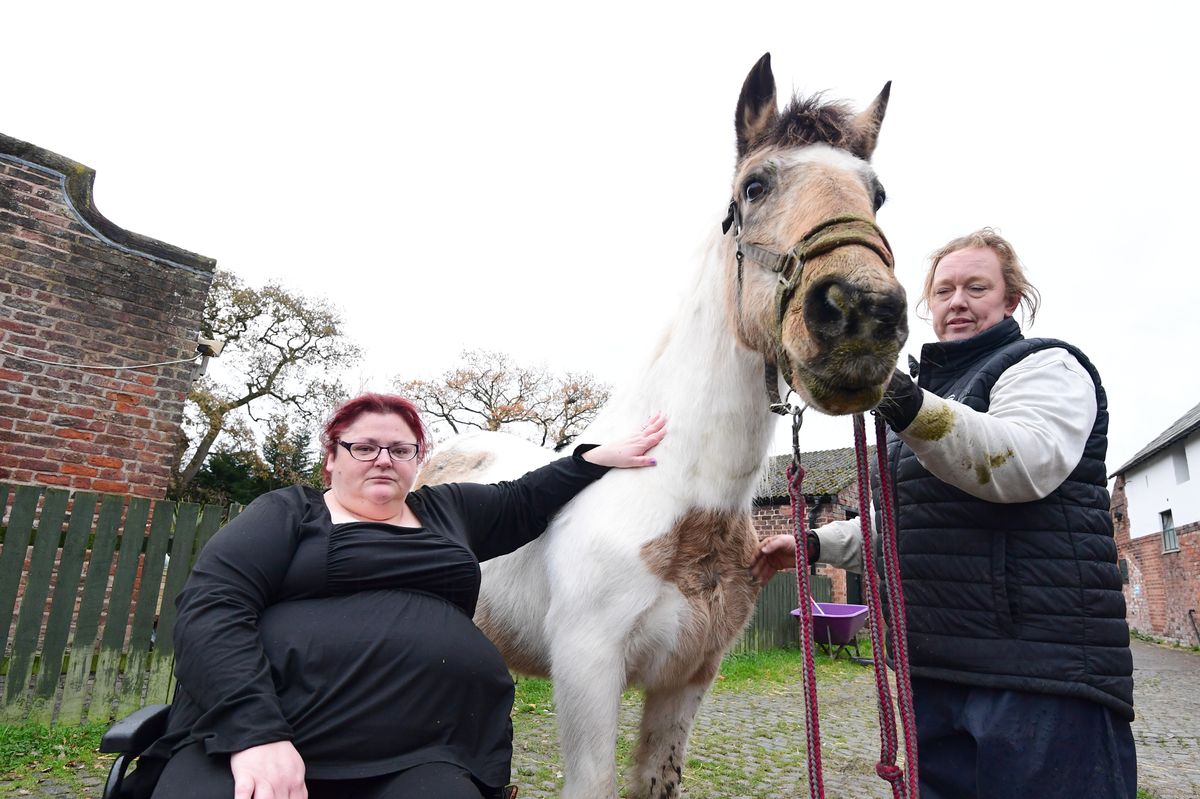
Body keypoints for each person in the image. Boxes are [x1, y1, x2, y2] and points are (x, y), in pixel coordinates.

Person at [751, 229, 1136, 799]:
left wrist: (898, 396)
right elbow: (916, 522)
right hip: (935, 669)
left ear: (1010, 301)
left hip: (1038, 675)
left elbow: (1019, 464)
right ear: (927, 305)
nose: (958, 301)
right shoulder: (928, 397)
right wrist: (812, 545)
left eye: (977, 287)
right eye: (945, 290)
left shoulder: (1044, 366)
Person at [135, 393, 667, 799]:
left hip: (423, 752)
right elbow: (212, 609)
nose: (382, 459)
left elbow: (526, 498)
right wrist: (255, 736)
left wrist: (592, 458)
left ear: (418, 459)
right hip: (270, 733)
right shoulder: (289, 513)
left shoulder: (447, 512)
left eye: (399, 449)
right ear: (331, 459)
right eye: (363, 447)